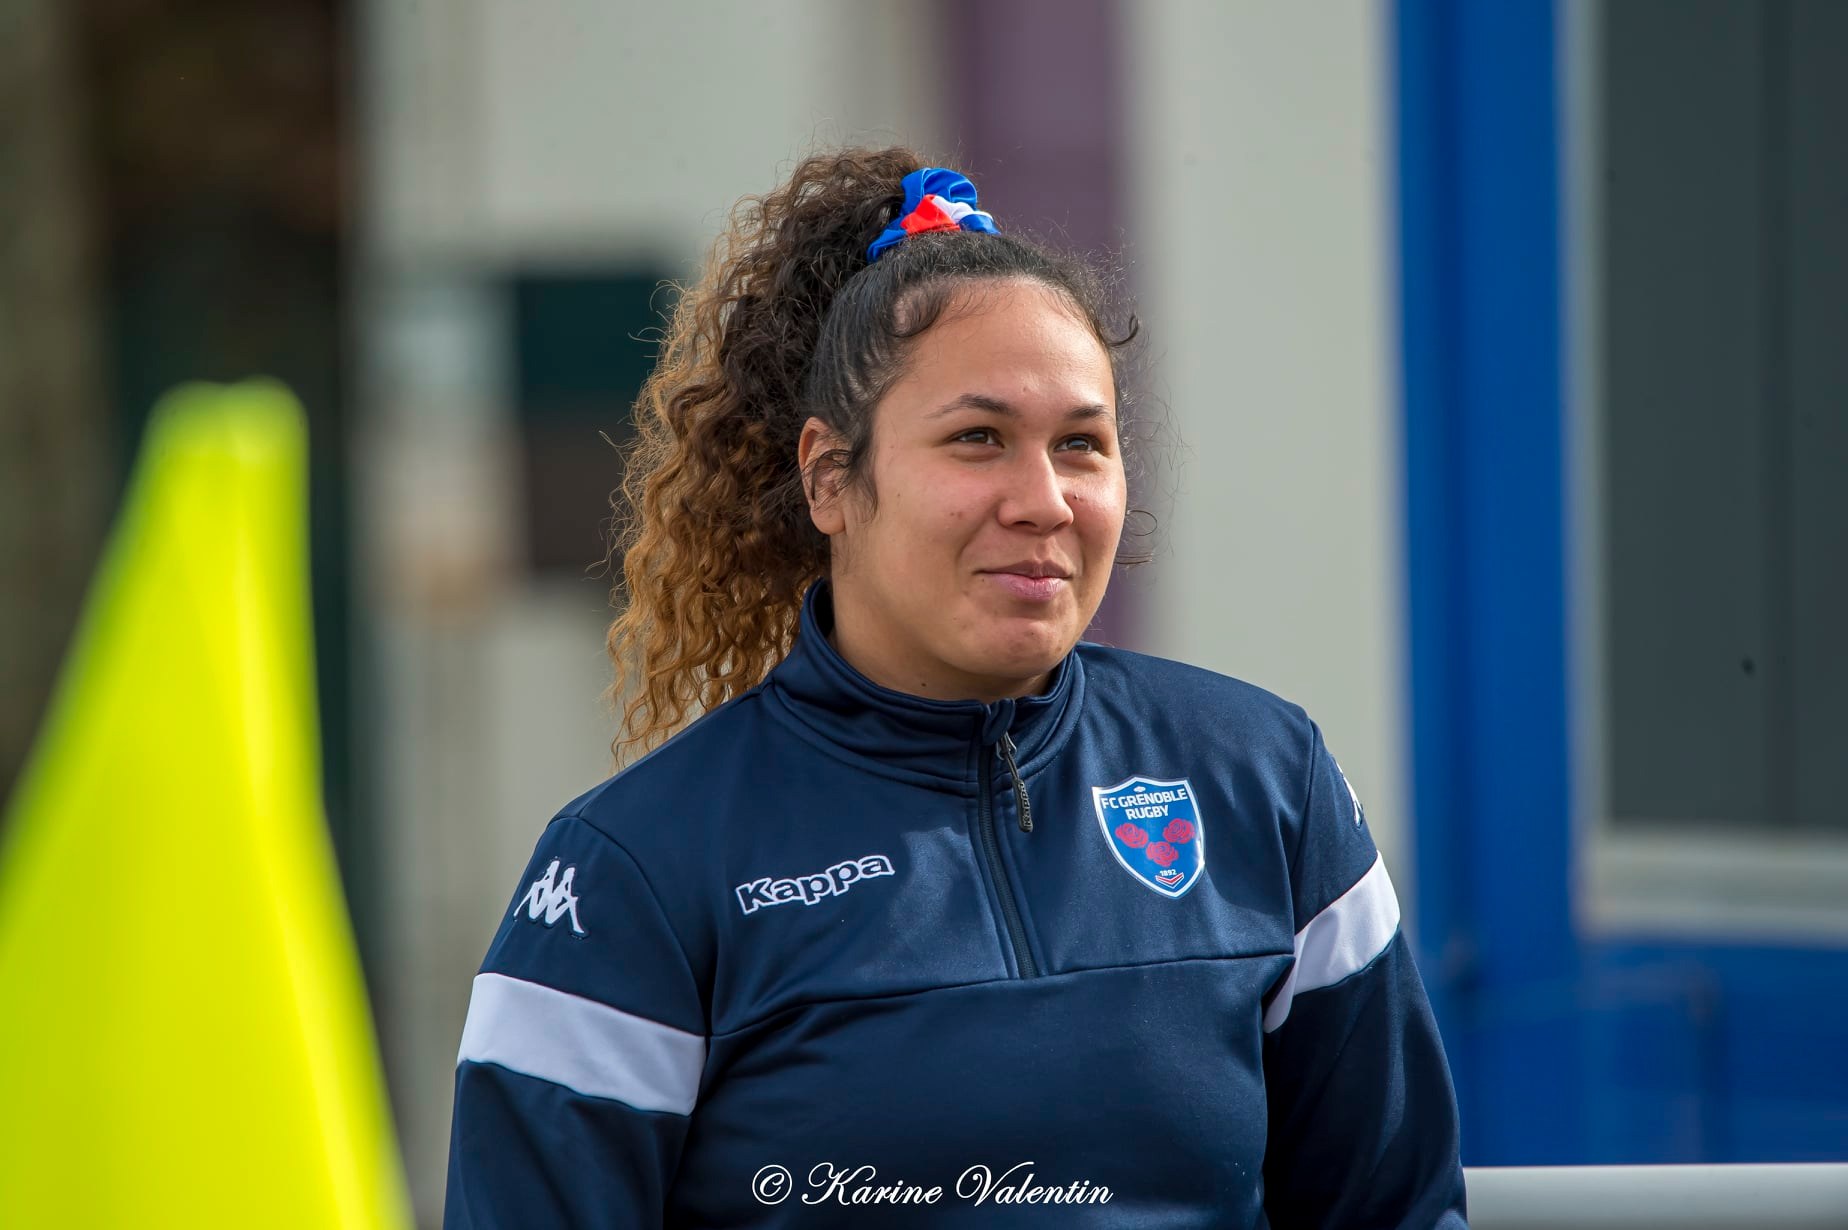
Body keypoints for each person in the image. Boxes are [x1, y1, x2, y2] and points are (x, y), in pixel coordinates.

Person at [443, 147, 1467, 1228]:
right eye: (978, 439)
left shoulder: (1264, 781)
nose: (1043, 500)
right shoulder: (635, 872)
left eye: (1082, 444)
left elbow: (1395, 1208)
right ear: (831, 477)